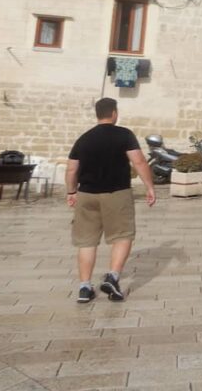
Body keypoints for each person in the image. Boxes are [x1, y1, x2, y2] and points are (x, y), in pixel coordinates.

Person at [66, 97, 155, 303]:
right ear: (114, 113)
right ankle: (113, 277)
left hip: (87, 194)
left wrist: (71, 192)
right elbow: (139, 161)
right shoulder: (124, 135)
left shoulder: (84, 139)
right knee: (123, 236)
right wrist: (150, 186)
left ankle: (85, 287)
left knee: (87, 242)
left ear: (97, 114)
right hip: (117, 193)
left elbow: (72, 169)